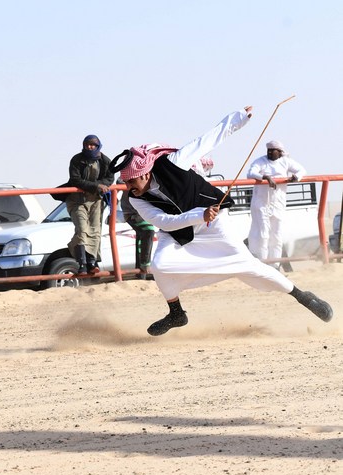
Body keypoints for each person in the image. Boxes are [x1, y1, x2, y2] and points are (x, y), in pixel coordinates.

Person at [110, 107, 332, 336]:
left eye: (130, 181)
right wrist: (199, 214)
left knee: (249, 266)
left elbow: (207, 140)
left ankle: (301, 296)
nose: (128, 188)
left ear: (145, 172)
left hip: (212, 226)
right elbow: (165, 222)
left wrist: (238, 118)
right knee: (160, 265)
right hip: (177, 230)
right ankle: (176, 313)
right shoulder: (135, 198)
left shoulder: (173, 162)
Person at [246, 140, 306, 267]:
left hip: (278, 203)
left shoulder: (285, 161)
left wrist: (295, 177)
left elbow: (301, 170)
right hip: (261, 203)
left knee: (277, 235)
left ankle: (275, 266)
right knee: (263, 234)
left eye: (272, 150)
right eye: (268, 150)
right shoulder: (260, 161)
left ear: (279, 152)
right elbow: (250, 173)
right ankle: (262, 264)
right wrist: (265, 177)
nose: (269, 152)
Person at [66, 135, 114, 274]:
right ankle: (82, 263)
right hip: (77, 200)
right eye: (87, 144)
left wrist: (102, 186)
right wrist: (97, 185)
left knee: (95, 230)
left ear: (98, 146)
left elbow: (110, 178)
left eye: (93, 145)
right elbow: (75, 180)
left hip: (96, 200)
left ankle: (92, 262)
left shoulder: (105, 161)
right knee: (82, 229)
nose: (89, 147)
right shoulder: (77, 159)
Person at [120, 185, 155, 279]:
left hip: (148, 210)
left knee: (143, 235)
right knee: (148, 230)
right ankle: (145, 264)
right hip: (133, 211)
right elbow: (120, 181)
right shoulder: (128, 172)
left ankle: (141, 273)